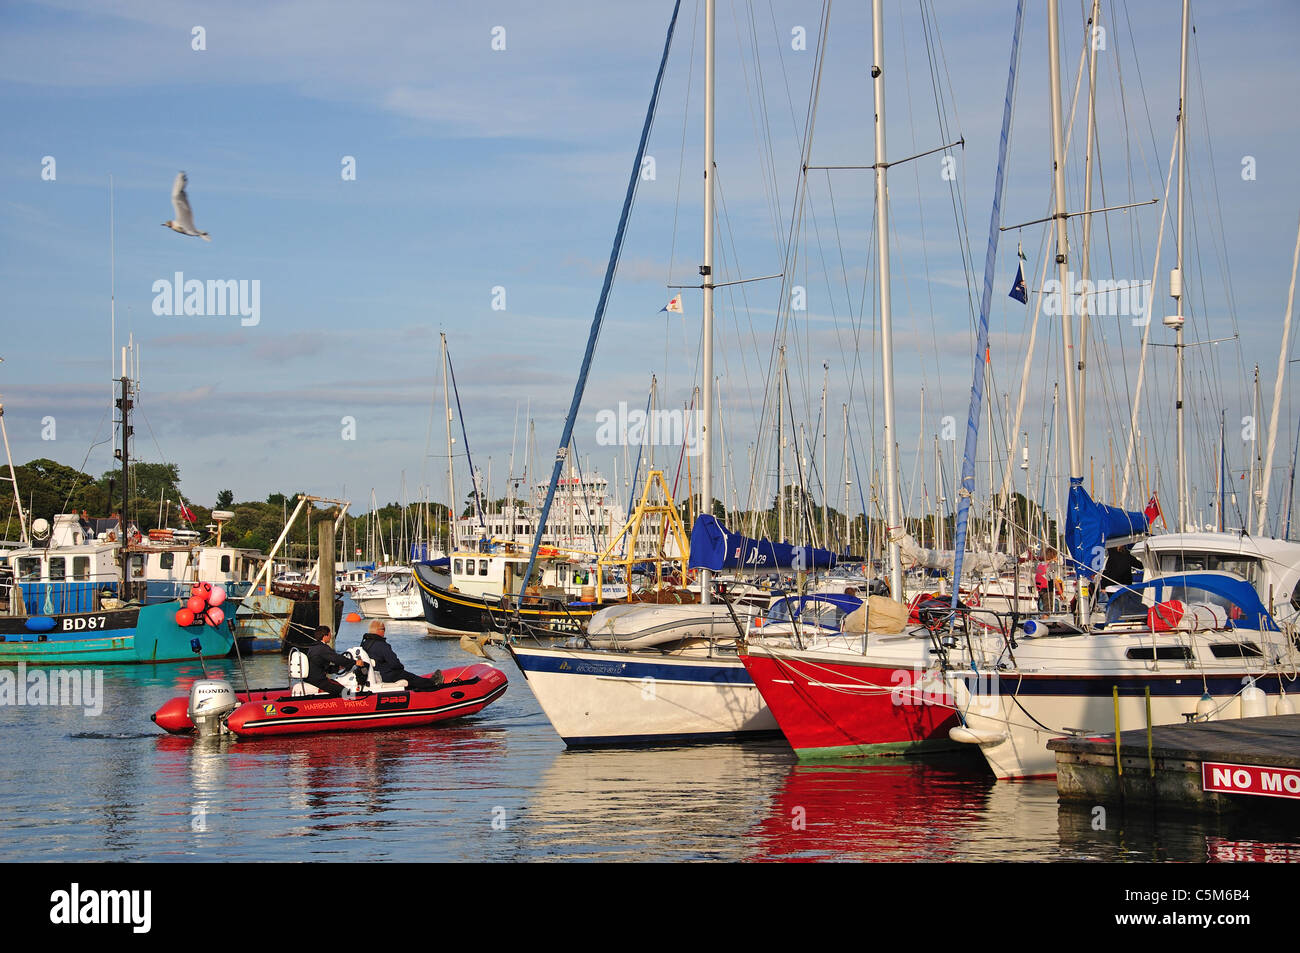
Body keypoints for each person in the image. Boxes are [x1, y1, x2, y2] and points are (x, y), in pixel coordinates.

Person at [360, 620, 445, 691]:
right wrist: (400, 667)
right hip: (387, 676)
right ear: (379, 630)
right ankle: (433, 683)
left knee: (406, 676)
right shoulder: (382, 645)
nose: (384, 632)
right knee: (410, 676)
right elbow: (395, 664)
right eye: (384, 629)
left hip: (374, 676)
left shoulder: (364, 645)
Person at [304, 625, 363, 697]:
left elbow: (322, 666)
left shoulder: (313, 647)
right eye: (329, 634)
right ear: (325, 636)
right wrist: (355, 662)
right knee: (345, 691)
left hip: (311, 679)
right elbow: (338, 659)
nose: (331, 636)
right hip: (319, 681)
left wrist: (338, 668)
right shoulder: (323, 648)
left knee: (335, 684)